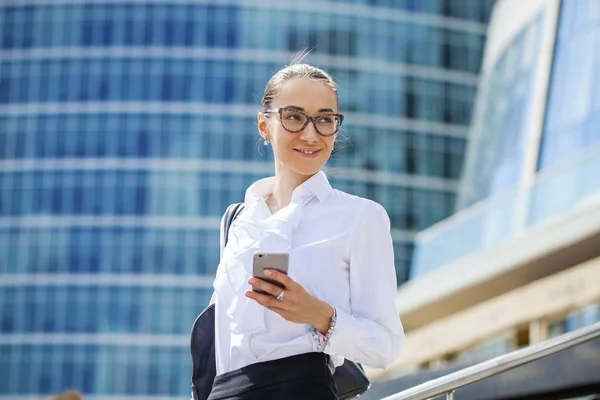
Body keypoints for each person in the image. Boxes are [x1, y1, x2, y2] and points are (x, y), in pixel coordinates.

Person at [208, 52, 405, 400]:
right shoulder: (238, 219)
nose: (311, 135)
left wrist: (319, 314)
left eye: (325, 119)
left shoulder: (361, 217)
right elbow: (221, 343)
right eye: (294, 117)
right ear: (264, 125)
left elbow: (385, 347)